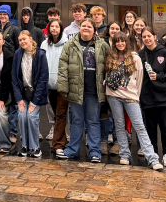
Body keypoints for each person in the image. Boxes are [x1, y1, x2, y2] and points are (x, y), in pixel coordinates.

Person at [105, 32, 163, 170]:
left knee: (139, 126)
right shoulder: (110, 57)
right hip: (113, 95)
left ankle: (152, 158)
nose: (120, 44)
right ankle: (124, 154)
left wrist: (135, 95)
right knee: (119, 125)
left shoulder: (135, 58)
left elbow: (139, 79)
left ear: (127, 42)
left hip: (131, 96)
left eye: (122, 41)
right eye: (117, 42)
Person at [58, 18, 108, 163]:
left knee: (93, 121)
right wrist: (64, 88)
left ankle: (95, 152)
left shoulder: (103, 45)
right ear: (80, 28)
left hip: (94, 91)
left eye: (89, 26)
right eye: (83, 26)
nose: (86, 28)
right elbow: (63, 67)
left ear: (94, 30)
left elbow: (109, 65)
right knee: (76, 121)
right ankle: (72, 150)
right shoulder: (70, 45)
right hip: (75, 90)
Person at [139, 25, 166, 166]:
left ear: (155, 37)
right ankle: (154, 152)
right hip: (148, 97)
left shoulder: (164, 53)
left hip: (164, 97)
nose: (147, 39)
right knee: (150, 127)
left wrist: (159, 77)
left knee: (165, 127)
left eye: (149, 36)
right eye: (144, 37)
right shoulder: (140, 55)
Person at [12, 30, 48, 158]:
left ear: (31, 39)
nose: (22, 42)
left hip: (36, 94)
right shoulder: (17, 54)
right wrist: (19, 99)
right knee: (22, 115)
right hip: (23, 95)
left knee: (32, 117)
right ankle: (25, 146)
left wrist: (34, 101)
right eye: (20, 40)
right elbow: (14, 77)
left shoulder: (40, 55)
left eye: (24, 39)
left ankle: (35, 147)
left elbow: (43, 78)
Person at [41, 18, 68, 159]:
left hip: (62, 85)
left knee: (61, 115)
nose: (54, 29)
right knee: (55, 114)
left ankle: (58, 145)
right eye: (52, 27)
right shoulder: (44, 44)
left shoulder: (67, 44)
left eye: (57, 26)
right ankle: (61, 140)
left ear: (61, 28)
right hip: (49, 85)